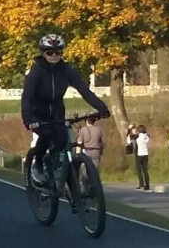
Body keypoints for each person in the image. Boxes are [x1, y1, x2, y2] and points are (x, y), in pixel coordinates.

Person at [21, 34, 109, 185]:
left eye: (58, 52)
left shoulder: (66, 70)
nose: (54, 56)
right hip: (38, 112)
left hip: (56, 112)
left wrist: (101, 107)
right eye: (49, 52)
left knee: (62, 140)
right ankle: (39, 164)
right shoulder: (36, 71)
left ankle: (58, 174)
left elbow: (84, 90)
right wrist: (28, 119)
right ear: (43, 53)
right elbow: (26, 97)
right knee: (46, 135)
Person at [135, 125, 151, 191]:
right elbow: (147, 141)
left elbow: (136, 141)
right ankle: (147, 185)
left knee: (139, 170)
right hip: (146, 154)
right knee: (145, 171)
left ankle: (141, 184)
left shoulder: (139, 138)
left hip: (140, 154)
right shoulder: (147, 137)